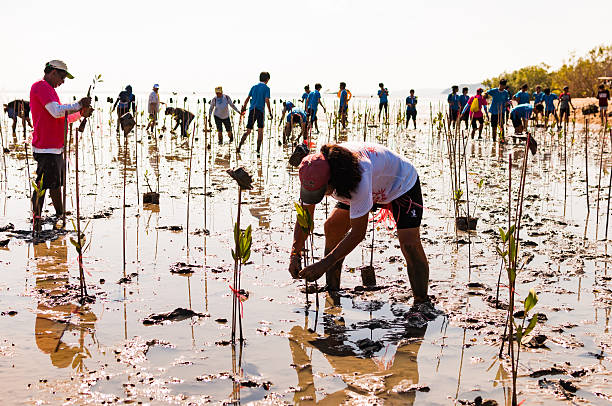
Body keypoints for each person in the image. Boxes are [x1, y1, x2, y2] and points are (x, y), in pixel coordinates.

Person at [289, 142, 429, 304]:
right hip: (365, 184)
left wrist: (324, 264)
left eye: (321, 192)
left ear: (331, 181)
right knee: (333, 227)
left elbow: (357, 233)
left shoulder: (358, 174)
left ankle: (421, 302)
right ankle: (332, 289)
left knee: (409, 244)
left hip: (400, 185)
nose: (319, 197)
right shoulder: (311, 171)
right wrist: (295, 253)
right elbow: (305, 216)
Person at [29, 60, 92, 231]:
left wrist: (80, 113)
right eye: (62, 77)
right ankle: (36, 219)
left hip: (55, 147)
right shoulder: (40, 87)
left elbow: (62, 117)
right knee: (42, 185)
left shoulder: (50, 91)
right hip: (46, 147)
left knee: (56, 183)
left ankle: (59, 214)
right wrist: (79, 104)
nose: (62, 81)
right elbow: (57, 111)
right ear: (52, 72)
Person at [238, 72, 272, 154]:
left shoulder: (254, 87)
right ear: (267, 79)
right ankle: (258, 150)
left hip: (252, 110)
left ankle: (239, 146)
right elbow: (267, 100)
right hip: (260, 111)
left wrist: (244, 108)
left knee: (248, 131)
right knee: (260, 131)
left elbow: (247, 98)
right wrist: (270, 112)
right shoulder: (267, 88)